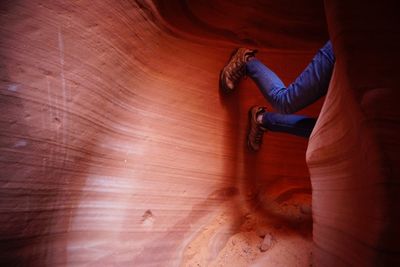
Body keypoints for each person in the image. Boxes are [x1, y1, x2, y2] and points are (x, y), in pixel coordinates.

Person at [219, 41, 335, 151]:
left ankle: (261, 119)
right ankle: (247, 61)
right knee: (285, 102)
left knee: (324, 132)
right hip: (341, 52)